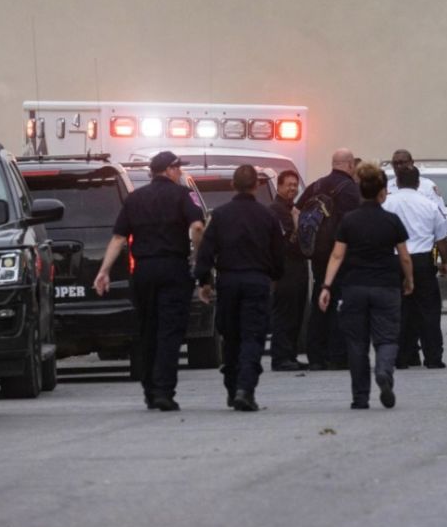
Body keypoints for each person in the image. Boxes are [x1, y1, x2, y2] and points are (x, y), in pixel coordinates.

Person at [94, 151, 204, 411]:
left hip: (143, 271)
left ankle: (149, 390)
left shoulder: (135, 199)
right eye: (178, 168)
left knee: (147, 330)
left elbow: (119, 238)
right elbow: (198, 227)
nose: (180, 173)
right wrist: (197, 257)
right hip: (173, 269)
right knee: (169, 331)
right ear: (169, 170)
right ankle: (164, 391)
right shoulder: (181, 195)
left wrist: (103, 271)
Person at [318, 163, 413, 410]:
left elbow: (337, 256)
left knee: (357, 343)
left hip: (354, 287)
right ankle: (383, 371)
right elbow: (404, 256)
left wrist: (327, 286)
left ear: (360, 190)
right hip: (386, 286)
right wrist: (409, 280)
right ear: (382, 192)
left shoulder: (349, 220)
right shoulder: (392, 221)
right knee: (387, 338)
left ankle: (360, 397)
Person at [194, 165, 285, 412]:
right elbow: (279, 254)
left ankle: (233, 387)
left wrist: (204, 281)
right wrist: (275, 277)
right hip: (257, 281)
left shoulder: (220, 215)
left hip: (229, 282)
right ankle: (245, 388)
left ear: (233, 185)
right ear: (256, 185)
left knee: (231, 336)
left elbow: (206, 250)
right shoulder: (268, 217)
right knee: (252, 337)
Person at [296, 149, 361, 370]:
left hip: (317, 254)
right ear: (350, 165)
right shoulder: (351, 190)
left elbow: (296, 211)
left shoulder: (315, 185)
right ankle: (337, 355)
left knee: (319, 298)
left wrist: (306, 242)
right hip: (340, 254)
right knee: (338, 303)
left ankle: (316, 356)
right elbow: (354, 225)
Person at [383, 165, 447, 369]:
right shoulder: (428, 205)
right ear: (418, 182)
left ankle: (401, 357)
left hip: (395, 261)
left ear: (397, 181)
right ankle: (433, 357)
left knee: (399, 310)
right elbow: (441, 238)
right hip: (422, 261)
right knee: (428, 310)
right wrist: (444, 262)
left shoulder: (387, 203)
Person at [269, 169, 310, 372]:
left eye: (295, 185)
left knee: (296, 312)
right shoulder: (277, 210)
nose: (293, 188)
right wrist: (296, 223)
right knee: (285, 313)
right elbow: (290, 242)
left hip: (298, 267)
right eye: (289, 185)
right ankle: (281, 357)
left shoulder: (292, 207)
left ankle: (290, 354)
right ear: (279, 186)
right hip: (286, 268)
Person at [386, 149, 447, 219]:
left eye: (402, 162)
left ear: (411, 162)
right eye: (395, 163)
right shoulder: (386, 186)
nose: (398, 166)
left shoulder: (427, 186)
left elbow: (441, 214)